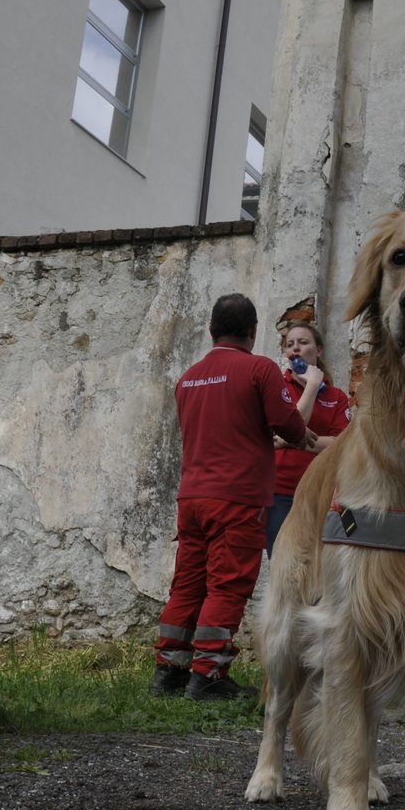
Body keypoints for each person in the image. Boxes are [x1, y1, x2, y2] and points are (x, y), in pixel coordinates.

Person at [151, 294, 314, 702]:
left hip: (192, 496)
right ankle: (209, 674)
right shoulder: (258, 368)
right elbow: (287, 423)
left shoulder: (188, 377)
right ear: (253, 331)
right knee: (227, 584)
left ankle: (169, 670)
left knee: (187, 584)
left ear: (211, 330)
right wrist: (304, 434)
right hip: (238, 497)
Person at [265, 322, 351, 555]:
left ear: (319, 350)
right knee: (284, 562)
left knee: (320, 566)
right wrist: (313, 384)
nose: (296, 349)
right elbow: (293, 425)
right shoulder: (277, 386)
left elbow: (340, 445)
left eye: (303, 343)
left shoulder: (336, 396)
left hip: (321, 490)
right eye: (290, 344)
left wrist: (289, 441)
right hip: (281, 492)